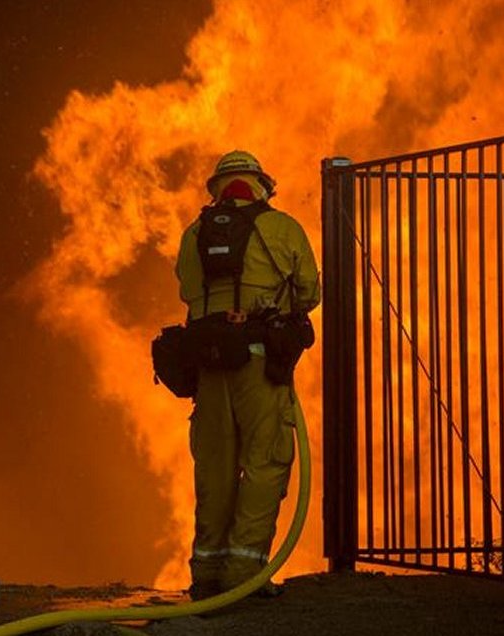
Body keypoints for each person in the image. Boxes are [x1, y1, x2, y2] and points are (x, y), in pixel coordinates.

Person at [174, 150, 320, 600]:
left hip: (208, 364)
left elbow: (185, 289)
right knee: (265, 462)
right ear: (261, 184)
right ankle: (243, 577)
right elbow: (310, 292)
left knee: (214, 466)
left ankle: (207, 575)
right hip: (259, 364)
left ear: (217, 188)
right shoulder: (281, 227)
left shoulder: (195, 233)